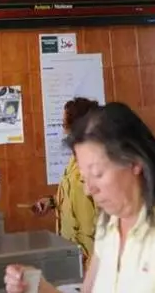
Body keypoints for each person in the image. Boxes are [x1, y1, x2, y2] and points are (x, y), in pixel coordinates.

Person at [4, 102, 155, 293]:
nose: (89, 189)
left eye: (98, 174)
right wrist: (39, 286)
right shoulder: (110, 225)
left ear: (134, 161)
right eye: (84, 177)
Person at [31, 98, 99, 264]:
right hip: (72, 252)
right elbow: (74, 195)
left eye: (64, 125)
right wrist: (51, 202)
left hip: (90, 256)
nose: (64, 131)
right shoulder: (74, 160)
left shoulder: (97, 162)